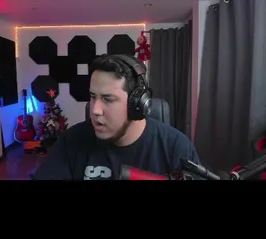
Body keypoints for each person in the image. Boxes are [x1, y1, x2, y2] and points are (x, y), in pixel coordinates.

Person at [32, 54, 200, 180]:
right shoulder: (71, 142)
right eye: (93, 97)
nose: (95, 110)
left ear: (137, 104)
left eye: (108, 99)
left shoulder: (176, 148)